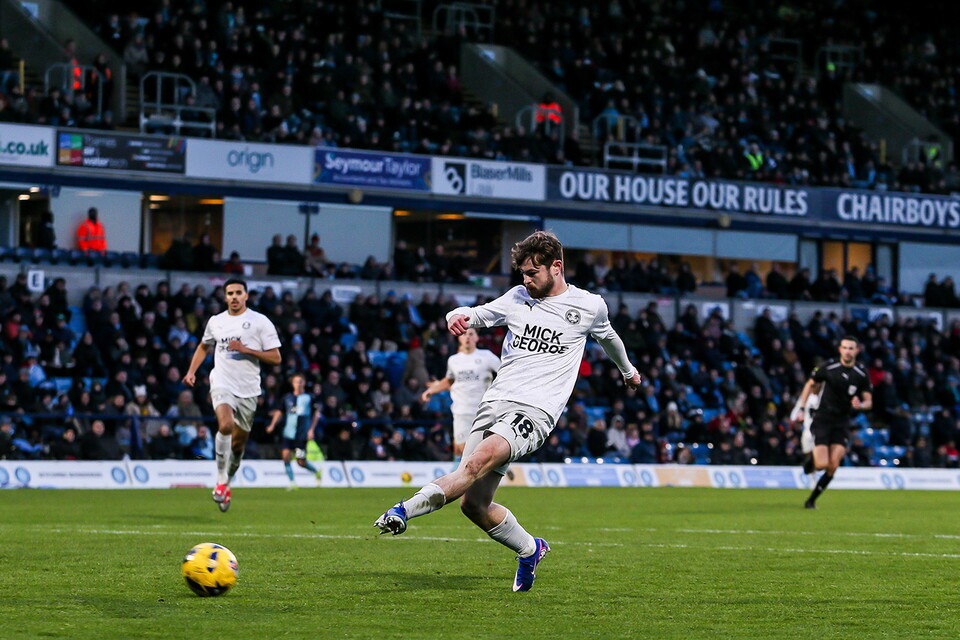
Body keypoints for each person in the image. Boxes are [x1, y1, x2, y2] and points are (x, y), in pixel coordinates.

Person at [374, 231, 642, 591]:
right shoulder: (517, 297)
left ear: (556, 267)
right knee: (474, 505)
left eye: (532, 273)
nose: (526, 280)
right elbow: (475, 314)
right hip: (494, 403)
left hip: (535, 411)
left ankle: (402, 511)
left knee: (472, 465)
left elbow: (609, 338)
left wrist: (628, 371)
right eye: (523, 274)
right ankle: (531, 549)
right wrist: (458, 315)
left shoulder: (589, 306)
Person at [183, 278, 281, 512]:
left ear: (246, 295)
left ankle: (227, 482)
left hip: (248, 390)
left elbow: (276, 358)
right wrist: (191, 371)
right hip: (222, 382)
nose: (234, 297)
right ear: (225, 297)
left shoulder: (260, 322)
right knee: (225, 425)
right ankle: (219, 480)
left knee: (237, 448)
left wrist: (246, 350)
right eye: (230, 293)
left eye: (238, 292)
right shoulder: (216, 322)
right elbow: (204, 346)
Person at [795, 336, 873, 509]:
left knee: (833, 465)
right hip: (823, 419)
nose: (847, 351)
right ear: (840, 349)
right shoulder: (828, 367)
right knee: (822, 464)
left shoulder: (861, 373)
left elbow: (869, 401)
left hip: (843, 422)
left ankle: (811, 500)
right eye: (845, 347)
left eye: (851, 348)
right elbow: (810, 384)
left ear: (856, 351)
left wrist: (861, 405)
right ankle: (810, 461)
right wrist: (801, 408)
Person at [420, 327, 500, 462]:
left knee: (481, 448)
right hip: (461, 410)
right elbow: (449, 381)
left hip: (483, 410)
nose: (467, 337)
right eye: (464, 334)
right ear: (459, 338)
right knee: (460, 448)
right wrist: (431, 391)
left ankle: (494, 467)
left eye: (471, 334)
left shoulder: (486, 356)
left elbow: (503, 372)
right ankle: (459, 474)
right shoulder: (453, 360)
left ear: (476, 338)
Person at [266, 372, 322, 489]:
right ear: (292, 383)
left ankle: (316, 471)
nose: (298, 384)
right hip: (288, 433)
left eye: (300, 382)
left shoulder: (309, 398)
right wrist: (272, 425)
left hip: (301, 435)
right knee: (285, 456)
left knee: (301, 461)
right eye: (296, 382)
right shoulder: (287, 398)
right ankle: (292, 483)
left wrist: (311, 429)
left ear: (304, 383)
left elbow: (316, 414)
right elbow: (279, 412)